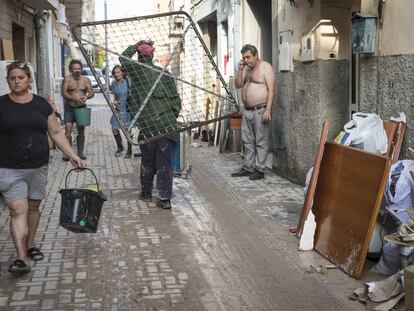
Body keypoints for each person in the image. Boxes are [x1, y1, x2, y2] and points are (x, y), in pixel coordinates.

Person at [0, 61, 84, 274]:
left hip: (38, 166)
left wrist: (72, 155)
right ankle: (21, 258)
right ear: (7, 80)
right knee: (18, 210)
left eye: (21, 77)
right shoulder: (1, 104)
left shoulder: (41, 104)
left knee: (33, 208)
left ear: (29, 79)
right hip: (9, 167)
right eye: (12, 78)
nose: (17, 81)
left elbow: (56, 133)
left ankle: (31, 245)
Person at [120, 40, 181, 209]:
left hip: (148, 126)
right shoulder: (164, 74)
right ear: (152, 56)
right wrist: (170, 115)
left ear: (139, 56)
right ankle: (164, 198)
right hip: (167, 125)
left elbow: (123, 58)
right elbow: (176, 101)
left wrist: (135, 45)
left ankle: (146, 192)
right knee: (164, 163)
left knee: (147, 161)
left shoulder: (137, 70)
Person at [231, 44, 275, 180]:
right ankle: (248, 167)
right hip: (248, 110)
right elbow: (238, 85)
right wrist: (240, 70)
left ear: (255, 55)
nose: (246, 60)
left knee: (261, 140)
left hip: (260, 109)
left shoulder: (265, 67)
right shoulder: (246, 69)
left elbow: (272, 89)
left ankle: (260, 169)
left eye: (248, 57)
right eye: (244, 57)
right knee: (247, 140)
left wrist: (268, 109)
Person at [61, 59, 94, 161]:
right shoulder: (67, 80)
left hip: (81, 108)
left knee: (81, 130)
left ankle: (80, 153)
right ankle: (68, 154)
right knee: (68, 128)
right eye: (75, 69)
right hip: (69, 108)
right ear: (71, 70)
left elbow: (91, 92)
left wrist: (86, 97)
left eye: (79, 68)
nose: (77, 70)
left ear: (81, 69)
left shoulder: (86, 80)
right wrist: (73, 98)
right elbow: (63, 93)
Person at [110, 65, 133, 158]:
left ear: (123, 72)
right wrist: (115, 102)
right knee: (114, 128)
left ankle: (129, 151)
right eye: (115, 73)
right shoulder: (113, 83)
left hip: (127, 108)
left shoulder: (128, 82)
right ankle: (120, 148)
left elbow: (133, 94)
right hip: (118, 108)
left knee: (128, 130)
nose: (116, 74)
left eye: (118, 72)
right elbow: (115, 96)